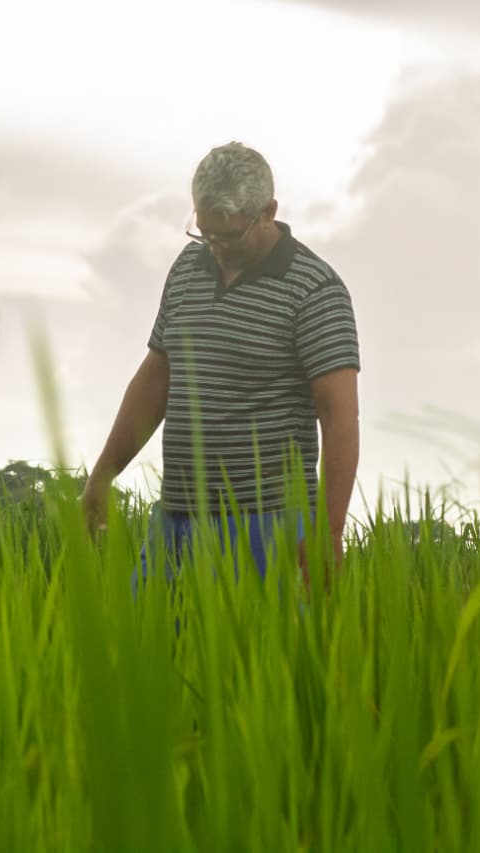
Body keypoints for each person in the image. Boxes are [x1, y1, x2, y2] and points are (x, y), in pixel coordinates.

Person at [80, 142, 360, 588]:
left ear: (268, 211)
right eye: (205, 233)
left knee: (255, 656)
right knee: (141, 650)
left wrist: (329, 531)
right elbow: (155, 381)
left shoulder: (315, 290)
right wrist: (102, 476)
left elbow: (340, 417)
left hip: (269, 525)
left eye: (229, 236)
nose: (216, 247)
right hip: (176, 517)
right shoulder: (189, 265)